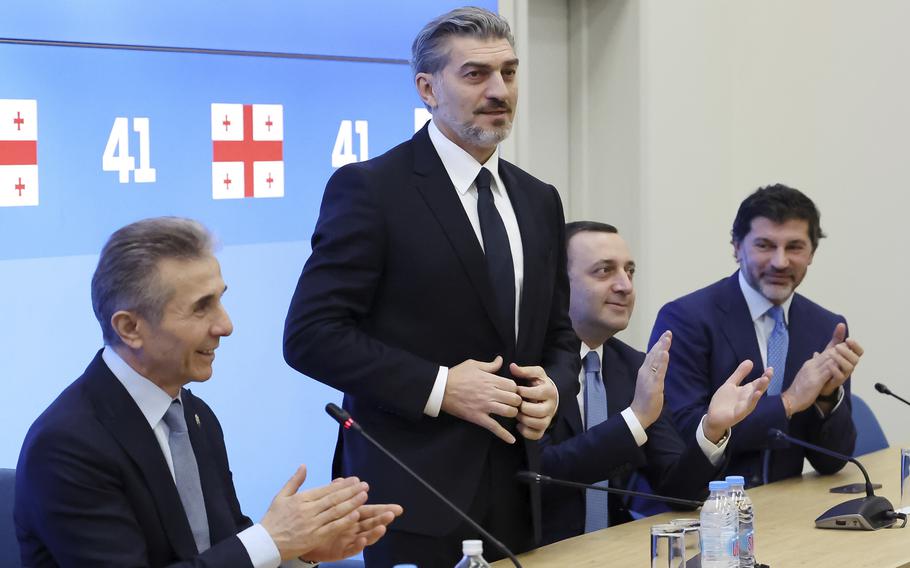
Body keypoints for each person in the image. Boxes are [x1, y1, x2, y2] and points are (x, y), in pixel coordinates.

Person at [283, 7, 577, 566]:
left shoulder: (539, 199)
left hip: (525, 486)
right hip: (414, 494)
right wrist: (440, 387)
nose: (499, 91)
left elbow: (558, 332)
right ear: (427, 88)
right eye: (475, 75)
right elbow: (310, 335)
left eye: (509, 73)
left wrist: (556, 389)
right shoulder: (371, 189)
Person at [15, 217, 402, 567]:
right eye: (202, 308)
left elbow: (224, 549)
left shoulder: (194, 415)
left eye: (220, 299)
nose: (226, 325)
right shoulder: (68, 445)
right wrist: (270, 539)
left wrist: (298, 553)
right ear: (130, 328)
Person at [539, 222, 768, 544]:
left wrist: (711, 430)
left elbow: (679, 491)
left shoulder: (634, 366)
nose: (625, 286)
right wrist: (635, 419)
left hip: (614, 552)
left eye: (629, 272)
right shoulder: (528, 365)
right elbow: (542, 475)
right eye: (604, 271)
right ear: (558, 285)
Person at [650, 184, 864, 486]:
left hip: (784, 510)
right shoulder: (686, 318)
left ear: (812, 252)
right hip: (703, 507)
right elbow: (683, 432)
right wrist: (788, 402)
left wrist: (826, 397)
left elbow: (833, 461)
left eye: (794, 247)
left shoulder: (826, 326)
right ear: (737, 247)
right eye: (764, 245)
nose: (780, 262)